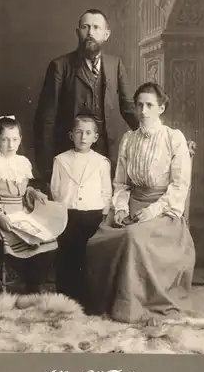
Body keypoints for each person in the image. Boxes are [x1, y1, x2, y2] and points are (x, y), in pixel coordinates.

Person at [83, 83, 196, 323]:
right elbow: (121, 183)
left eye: (150, 105)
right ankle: (108, 300)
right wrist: (122, 208)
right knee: (99, 238)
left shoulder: (173, 138)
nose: (143, 111)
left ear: (161, 108)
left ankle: (132, 306)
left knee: (133, 236)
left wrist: (152, 211)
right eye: (139, 105)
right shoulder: (129, 139)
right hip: (132, 204)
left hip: (163, 211)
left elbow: (179, 186)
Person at [33, 8, 138, 191]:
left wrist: (156, 133)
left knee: (103, 203)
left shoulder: (115, 65)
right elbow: (46, 119)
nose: (90, 33)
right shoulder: (60, 66)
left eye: (97, 28)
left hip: (106, 152)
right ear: (77, 32)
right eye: (85, 27)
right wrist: (47, 168)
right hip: (70, 150)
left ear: (106, 34)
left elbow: (129, 108)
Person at [0, 115, 57, 294]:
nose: (10, 144)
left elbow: (23, 191)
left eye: (14, 139)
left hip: (21, 212)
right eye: (5, 139)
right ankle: (2, 287)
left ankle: (34, 285)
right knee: (15, 238)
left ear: (20, 139)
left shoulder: (22, 162)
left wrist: (34, 193)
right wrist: (0, 216)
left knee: (46, 237)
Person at [50, 114, 112, 303]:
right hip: (69, 215)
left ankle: (89, 301)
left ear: (95, 137)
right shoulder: (60, 160)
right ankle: (66, 299)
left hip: (93, 215)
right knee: (68, 257)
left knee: (90, 258)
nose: (83, 137)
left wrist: (104, 212)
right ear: (71, 135)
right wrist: (63, 207)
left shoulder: (101, 162)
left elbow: (106, 191)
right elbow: (55, 189)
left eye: (88, 133)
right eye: (79, 132)